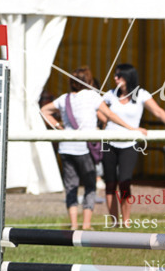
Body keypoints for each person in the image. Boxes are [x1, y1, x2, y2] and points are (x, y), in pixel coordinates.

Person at [40, 66, 146, 230]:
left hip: (66, 146)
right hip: (85, 148)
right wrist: (131, 128)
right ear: (89, 81)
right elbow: (110, 116)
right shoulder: (92, 96)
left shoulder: (64, 98)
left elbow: (44, 110)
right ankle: (86, 224)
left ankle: (74, 224)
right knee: (90, 185)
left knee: (71, 186)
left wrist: (58, 128)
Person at [100, 63, 165, 228]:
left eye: (119, 75)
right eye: (115, 75)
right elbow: (98, 110)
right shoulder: (110, 95)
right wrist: (105, 122)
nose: (115, 78)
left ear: (128, 77)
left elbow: (158, 111)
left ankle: (126, 221)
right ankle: (114, 222)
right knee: (110, 183)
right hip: (109, 142)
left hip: (130, 144)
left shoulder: (141, 94)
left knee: (125, 181)